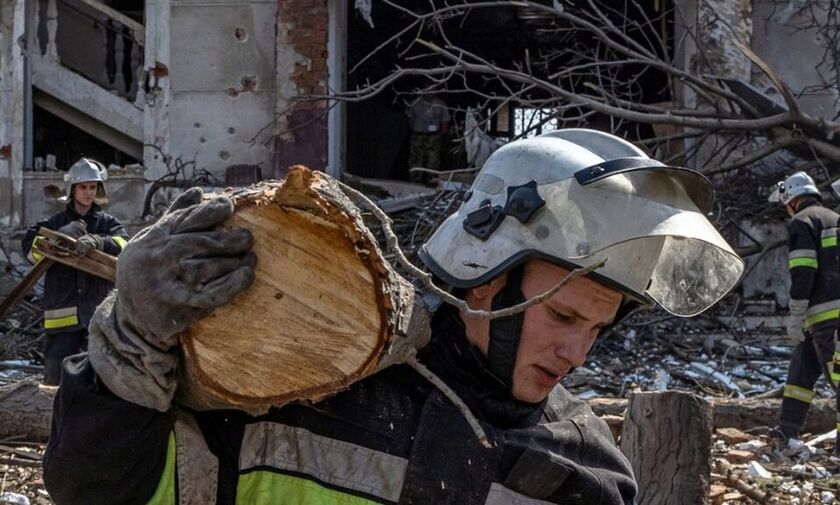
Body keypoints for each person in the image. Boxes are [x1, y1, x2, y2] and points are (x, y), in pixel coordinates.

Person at [42, 130, 743, 504]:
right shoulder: (310, 374)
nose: (577, 352)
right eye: (561, 314)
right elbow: (97, 490)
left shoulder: (580, 473)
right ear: (485, 273)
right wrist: (127, 348)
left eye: (596, 327)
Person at [21, 158, 128, 386]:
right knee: (54, 384)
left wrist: (100, 241)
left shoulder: (108, 224)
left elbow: (126, 246)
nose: (88, 193)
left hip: (97, 319)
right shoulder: (52, 223)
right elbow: (31, 253)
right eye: (83, 187)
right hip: (61, 321)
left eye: (92, 187)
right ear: (72, 190)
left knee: (99, 386)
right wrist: (59, 235)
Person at [769, 171, 840, 452]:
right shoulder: (834, 219)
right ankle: (786, 432)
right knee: (800, 373)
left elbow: (803, 270)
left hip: (826, 318)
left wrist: (796, 314)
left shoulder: (802, 221)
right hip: (823, 320)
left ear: (791, 200)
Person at [407, 89, 450, 181]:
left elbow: (445, 122)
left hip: (434, 137)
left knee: (433, 160)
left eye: (432, 89)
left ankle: (431, 181)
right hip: (418, 136)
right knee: (416, 159)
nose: (429, 92)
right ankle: (414, 180)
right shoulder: (415, 103)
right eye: (427, 90)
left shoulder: (441, 104)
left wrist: (440, 136)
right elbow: (410, 120)